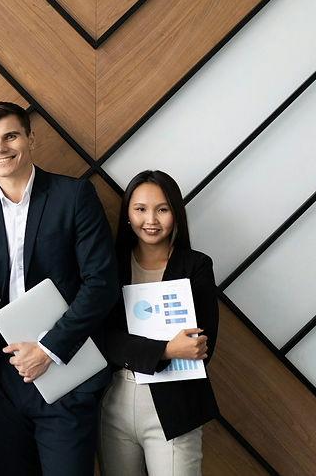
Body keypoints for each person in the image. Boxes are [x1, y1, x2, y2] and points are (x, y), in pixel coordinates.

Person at [0, 101, 118, 474]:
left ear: (31, 138)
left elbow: (102, 284)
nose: (0, 147)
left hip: (66, 373)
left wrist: (49, 348)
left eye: (11, 135)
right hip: (1, 385)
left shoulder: (75, 196)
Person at [98, 170, 219, 476]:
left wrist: (136, 348)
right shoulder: (108, 263)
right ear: (127, 214)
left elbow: (200, 346)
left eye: (162, 209)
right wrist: (166, 349)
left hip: (176, 402)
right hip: (115, 400)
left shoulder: (196, 265)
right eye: (140, 209)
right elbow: (101, 337)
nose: (150, 219)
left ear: (176, 213)